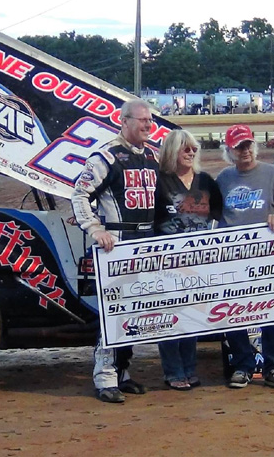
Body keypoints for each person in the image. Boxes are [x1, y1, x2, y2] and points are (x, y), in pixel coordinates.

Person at [71, 98, 158, 403]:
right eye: (142, 120)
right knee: (114, 312)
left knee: (135, 312)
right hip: (117, 244)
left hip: (146, 243)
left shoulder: (152, 156)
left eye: (150, 120)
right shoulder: (106, 156)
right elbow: (80, 194)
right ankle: (105, 377)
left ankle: (122, 371)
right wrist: (95, 228)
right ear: (124, 121)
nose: (148, 125)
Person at [216, 124, 274, 391]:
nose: (244, 151)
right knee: (233, 313)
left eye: (248, 145)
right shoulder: (223, 179)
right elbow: (213, 214)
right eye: (238, 147)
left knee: (273, 310)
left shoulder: (273, 173)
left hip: (268, 255)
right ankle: (242, 366)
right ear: (229, 151)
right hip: (233, 257)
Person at [153, 129, 223, 391]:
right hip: (166, 263)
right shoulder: (159, 181)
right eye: (186, 148)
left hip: (198, 261)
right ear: (172, 151)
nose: (191, 153)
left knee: (192, 315)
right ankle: (173, 371)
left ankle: (190, 369)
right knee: (170, 316)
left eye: (194, 149)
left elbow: (219, 214)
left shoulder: (205, 181)